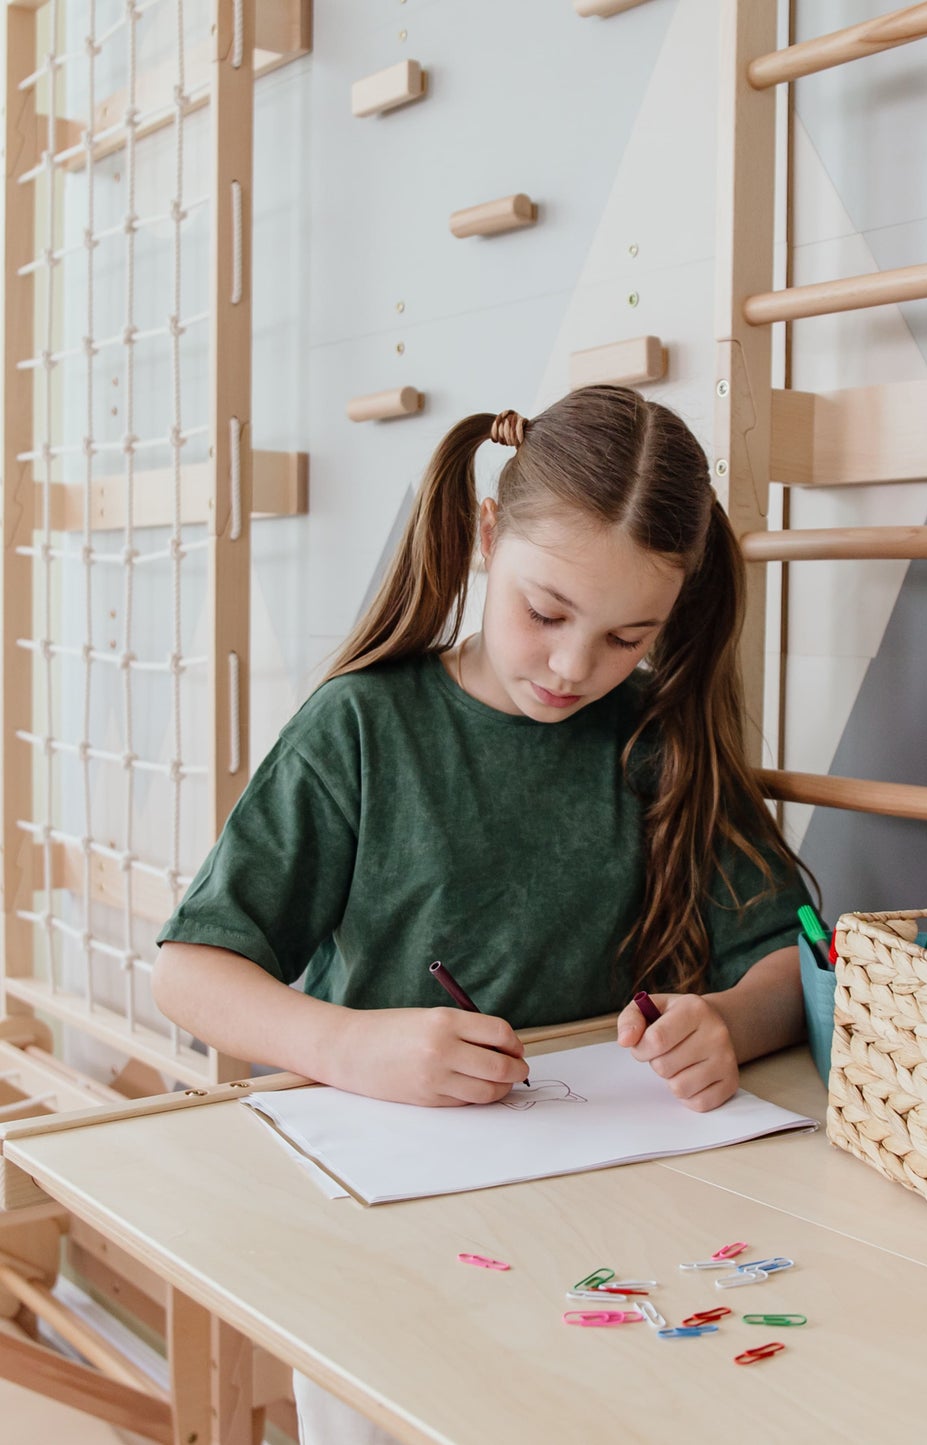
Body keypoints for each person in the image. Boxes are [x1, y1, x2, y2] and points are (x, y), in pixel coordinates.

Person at [152, 386, 813, 1444]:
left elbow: (789, 958)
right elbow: (188, 968)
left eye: (623, 637)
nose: (571, 668)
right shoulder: (361, 724)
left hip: (598, 1208)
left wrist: (728, 1021)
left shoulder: (657, 739)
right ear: (489, 537)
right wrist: (348, 1044)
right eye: (545, 612)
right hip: (379, 1215)